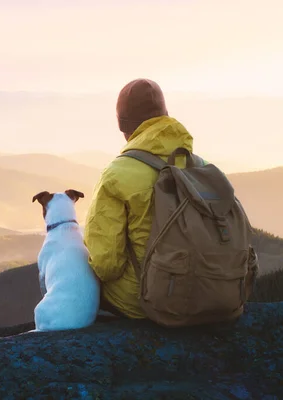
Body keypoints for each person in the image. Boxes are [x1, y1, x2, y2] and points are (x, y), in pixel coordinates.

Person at [83, 78, 196, 319]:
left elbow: (106, 264)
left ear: (123, 125)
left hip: (143, 301)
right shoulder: (199, 165)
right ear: (165, 116)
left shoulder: (116, 175)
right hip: (204, 289)